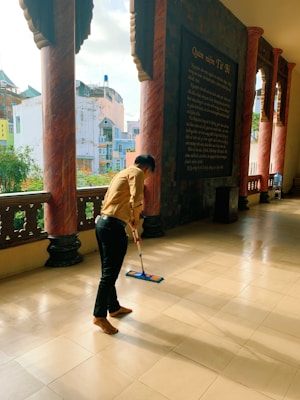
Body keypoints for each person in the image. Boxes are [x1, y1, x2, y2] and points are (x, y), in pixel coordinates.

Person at [93, 154, 155, 334]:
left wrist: (132, 226)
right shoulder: (137, 173)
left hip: (103, 224)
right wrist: (136, 219)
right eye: (149, 175)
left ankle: (113, 307)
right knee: (109, 275)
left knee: (108, 272)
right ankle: (99, 316)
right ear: (148, 169)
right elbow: (136, 200)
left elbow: (119, 204)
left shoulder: (123, 173)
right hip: (112, 227)